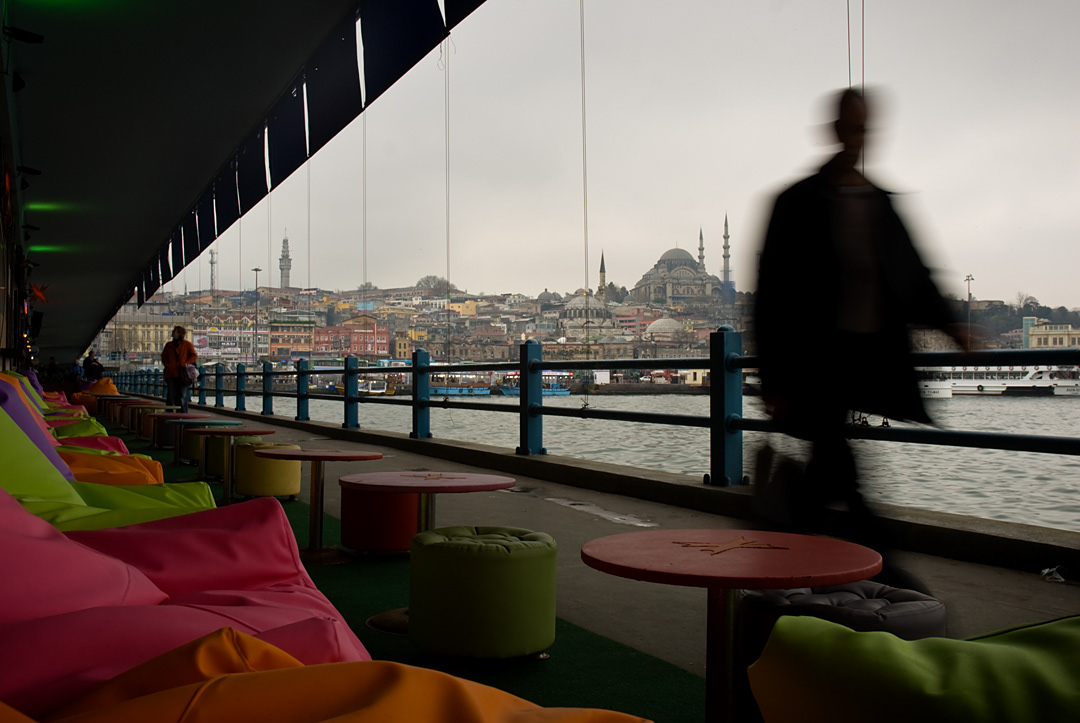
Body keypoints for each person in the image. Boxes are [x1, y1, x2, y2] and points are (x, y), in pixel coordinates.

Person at [753, 87, 970, 590]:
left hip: (868, 358)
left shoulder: (879, 202)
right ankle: (884, 567)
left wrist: (952, 325)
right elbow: (772, 296)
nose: (858, 138)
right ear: (835, 130)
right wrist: (774, 377)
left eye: (864, 129)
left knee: (830, 467)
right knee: (840, 463)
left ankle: (780, 538)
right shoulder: (799, 203)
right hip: (817, 359)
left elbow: (913, 275)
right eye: (852, 128)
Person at [161, 325, 198, 413]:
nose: (173, 333)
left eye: (175, 331)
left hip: (182, 373)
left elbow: (194, 356)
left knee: (182, 395)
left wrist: (186, 363)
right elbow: (163, 356)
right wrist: (167, 365)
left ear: (180, 334)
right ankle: (169, 415)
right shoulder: (169, 345)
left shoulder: (187, 345)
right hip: (171, 373)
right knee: (171, 396)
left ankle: (182, 414)